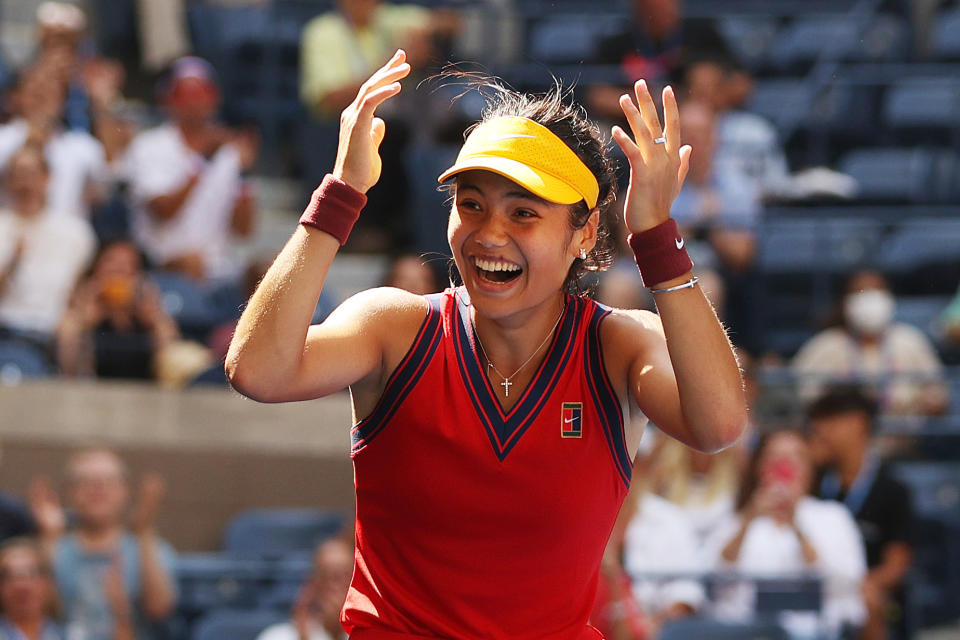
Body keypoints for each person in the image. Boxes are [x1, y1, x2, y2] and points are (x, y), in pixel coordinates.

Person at [226, 50, 746, 639]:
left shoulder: (616, 344)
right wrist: (343, 193)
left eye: (523, 213)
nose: (488, 234)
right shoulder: (395, 326)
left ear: (586, 233)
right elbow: (259, 372)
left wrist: (655, 237)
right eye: (470, 205)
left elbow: (718, 424)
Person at [704, 429, 867, 638]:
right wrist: (748, 520)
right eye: (774, 456)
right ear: (759, 466)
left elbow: (845, 583)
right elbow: (712, 580)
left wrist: (796, 525)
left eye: (796, 457)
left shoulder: (833, 516)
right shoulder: (736, 517)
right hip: (742, 630)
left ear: (810, 467)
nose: (784, 465)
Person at [125, 56, 257, 283]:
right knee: (192, 264)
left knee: (269, 269)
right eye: (185, 95)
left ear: (213, 98)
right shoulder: (148, 145)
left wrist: (244, 173)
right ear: (169, 100)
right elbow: (163, 211)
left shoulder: (229, 154)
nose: (193, 103)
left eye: (201, 94)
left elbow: (244, 230)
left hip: (218, 270)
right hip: (160, 267)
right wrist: (203, 161)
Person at [29, 449, 177, 640]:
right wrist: (49, 538)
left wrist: (144, 531)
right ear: (70, 492)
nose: (98, 489)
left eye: (108, 481)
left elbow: (159, 609)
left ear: (125, 490)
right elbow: (40, 612)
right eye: (86, 482)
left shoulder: (152, 548)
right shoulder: (56, 548)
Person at [807, 386, 914, 640]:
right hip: (812, 582)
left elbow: (896, 565)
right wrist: (806, 463)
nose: (821, 430)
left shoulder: (892, 489)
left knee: (870, 599)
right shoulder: (814, 481)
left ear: (858, 423)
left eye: (831, 420)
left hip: (862, 588)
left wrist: (856, 585)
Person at [792, 269, 948, 415]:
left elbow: (938, 396)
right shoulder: (825, 345)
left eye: (877, 291)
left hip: (902, 436)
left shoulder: (910, 340)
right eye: (861, 292)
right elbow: (800, 395)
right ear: (846, 302)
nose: (870, 299)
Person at [0, 145, 96, 354]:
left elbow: (81, 290)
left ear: (47, 178)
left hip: (54, 333)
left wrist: (77, 316)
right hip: (5, 327)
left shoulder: (76, 232)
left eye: (31, 173)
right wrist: (13, 262)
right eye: (18, 174)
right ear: (8, 181)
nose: (25, 183)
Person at [57, 239, 180, 379]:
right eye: (111, 262)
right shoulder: (79, 314)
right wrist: (84, 320)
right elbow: (68, 370)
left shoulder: (147, 312)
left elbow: (171, 359)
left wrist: (155, 320)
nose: (119, 269)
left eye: (128, 264)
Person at [0, 60, 108, 220]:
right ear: (18, 97)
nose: (42, 99)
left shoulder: (85, 146)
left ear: (62, 100)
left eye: (50, 92)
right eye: (36, 91)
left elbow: (98, 196)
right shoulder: (3, 140)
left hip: (66, 238)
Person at [256, 537, 354, 640]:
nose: (335, 586)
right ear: (313, 582)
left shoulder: (368, 634)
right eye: (326, 575)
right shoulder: (277, 636)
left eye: (345, 575)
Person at [0, 538, 62, 640]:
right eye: (10, 577)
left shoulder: (76, 635)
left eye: (32, 574)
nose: (21, 585)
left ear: (50, 583)